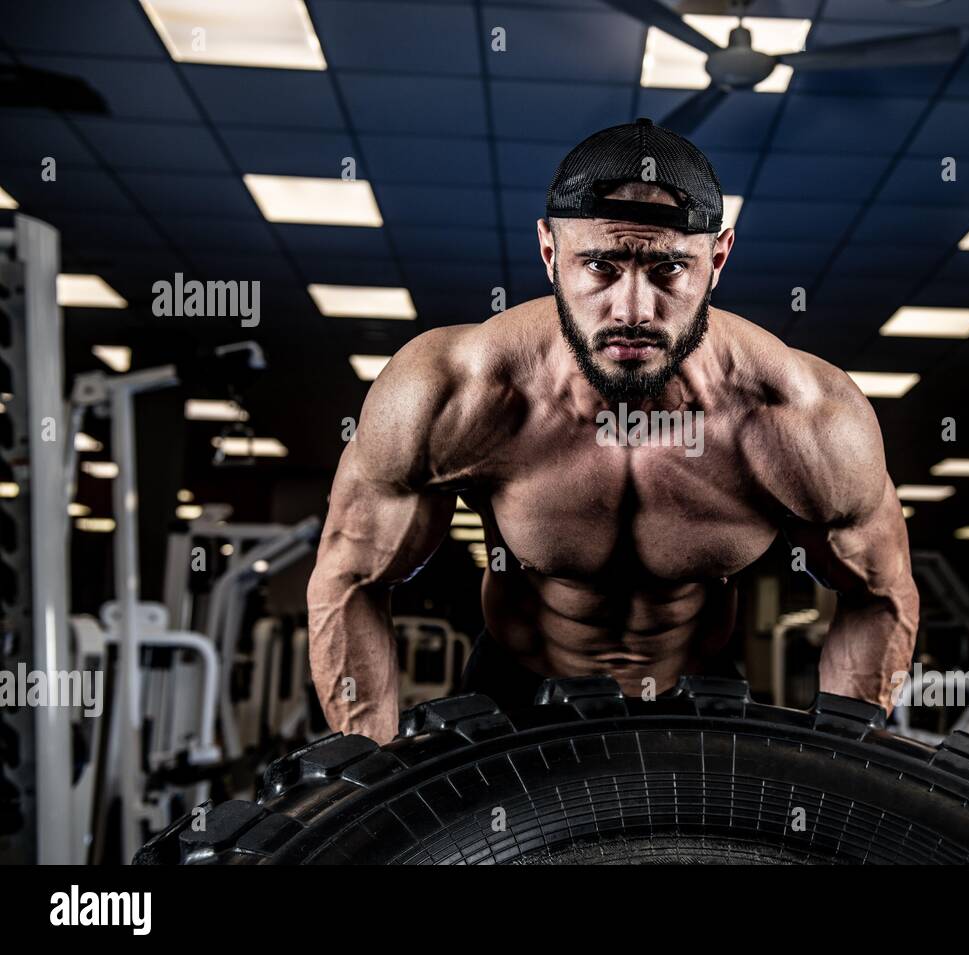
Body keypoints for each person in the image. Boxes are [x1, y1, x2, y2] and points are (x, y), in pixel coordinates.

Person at [307, 118, 918, 741]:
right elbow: (351, 577)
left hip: (698, 700)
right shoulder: (452, 391)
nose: (632, 310)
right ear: (550, 252)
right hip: (516, 695)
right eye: (599, 265)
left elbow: (880, 595)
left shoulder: (802, 415)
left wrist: (849, 766)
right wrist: (369, 773)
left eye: (668, 269)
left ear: (718, 257)